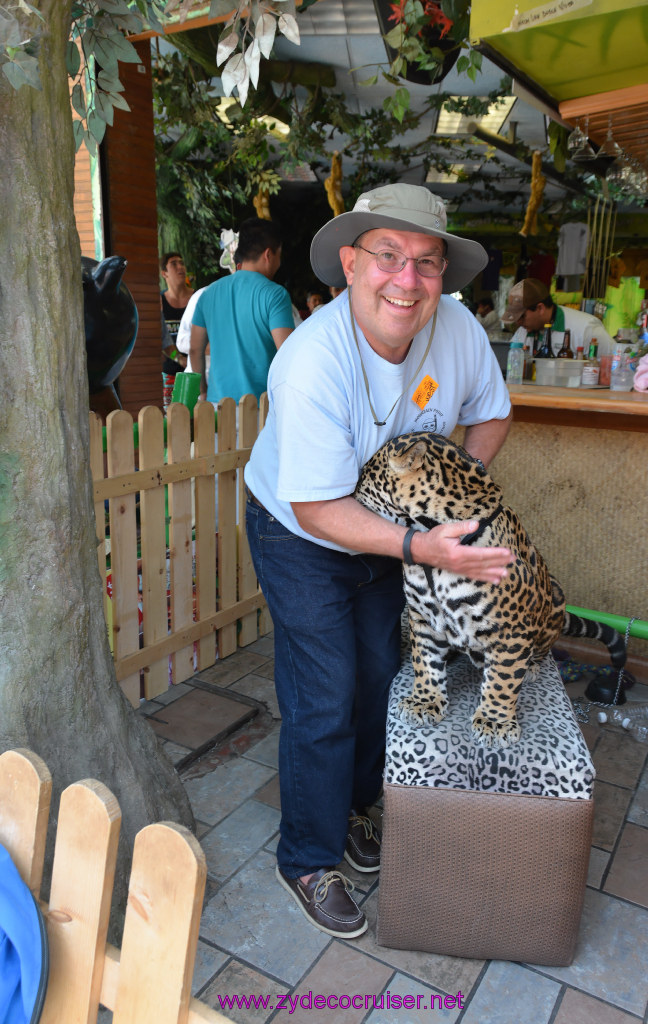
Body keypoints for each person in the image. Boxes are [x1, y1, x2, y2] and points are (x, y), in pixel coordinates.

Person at [243, 183, 514, 939]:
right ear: (352, 265)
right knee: (325, 692)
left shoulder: (456, 331)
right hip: (299, 532)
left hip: (392, 536)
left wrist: (453, 500)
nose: (407, 279)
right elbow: (314, 509)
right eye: (388, 257)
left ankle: (351, 812)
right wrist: (417, 545)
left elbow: (493, 413)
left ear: (443, 277)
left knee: (377, 680)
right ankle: (305, 856)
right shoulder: (310, 361)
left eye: (426, 263)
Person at [189, 219, 295, 403]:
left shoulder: (208, 294)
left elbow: (194, 349)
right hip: (261, 409)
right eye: (279, 255)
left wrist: (204, 392)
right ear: (268, 255)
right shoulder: (275, 295)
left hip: (217, 408)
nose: (279, 263)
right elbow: (288, 354)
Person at [502, 278, 613, 357]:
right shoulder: (524, 330)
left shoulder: (586, 329)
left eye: (522, 316)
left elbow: (615, 363)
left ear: (540, 308)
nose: (518, 323)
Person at [160, 252, 192, 408]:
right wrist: (179, 359)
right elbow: (161, 340)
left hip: (196, 372)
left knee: (199, 420)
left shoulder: (197, 298)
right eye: (174, 264)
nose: (180, 267)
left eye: (182, 263)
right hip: (170, 374)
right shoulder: (159, 302)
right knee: (172, 421)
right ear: (164, 273)